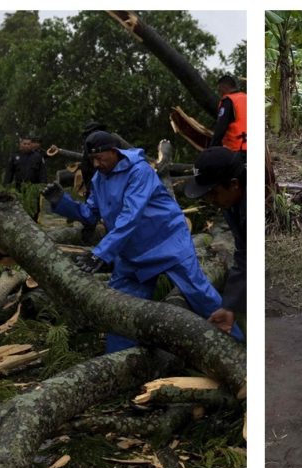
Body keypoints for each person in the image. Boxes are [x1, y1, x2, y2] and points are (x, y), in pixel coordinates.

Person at [41, 131, 243, 353]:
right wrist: (62, 203)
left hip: (168, 242)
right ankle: (120, 364)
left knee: (201, 296)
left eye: (100, 158)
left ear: (114, 151)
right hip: (133, 254)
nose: (97, 164)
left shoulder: (139, 171)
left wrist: (100, 253)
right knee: (121, 311)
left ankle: (238, 351)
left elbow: (130, 216)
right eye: (92, 160)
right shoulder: (99, 180)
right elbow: (89, 214)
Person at [183, 146, 246, 333]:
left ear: (234, 184)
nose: (211, 200)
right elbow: (244, 253)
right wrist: (229, 306)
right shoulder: (231, 203)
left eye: (213, 193)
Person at [5, 136, 46, 220]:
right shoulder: (15, 156)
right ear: (20, 144)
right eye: (25, 144)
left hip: (33, 188)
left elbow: (42, 173)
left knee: (34, 208)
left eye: (29, 144)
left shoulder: (38, 157)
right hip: (19, 188)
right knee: (19, 207)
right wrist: (6, 185)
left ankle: (34, 223)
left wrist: (42, 186)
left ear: (32, 145)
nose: (27, 145)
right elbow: (9, 172)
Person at [210, 75, 247, 158]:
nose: (220, 94)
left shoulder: (228, 101)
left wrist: (211, 149)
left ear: (223, 88)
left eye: (219, 91)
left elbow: (220, 128)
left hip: (236, 150)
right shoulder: (246, 98)